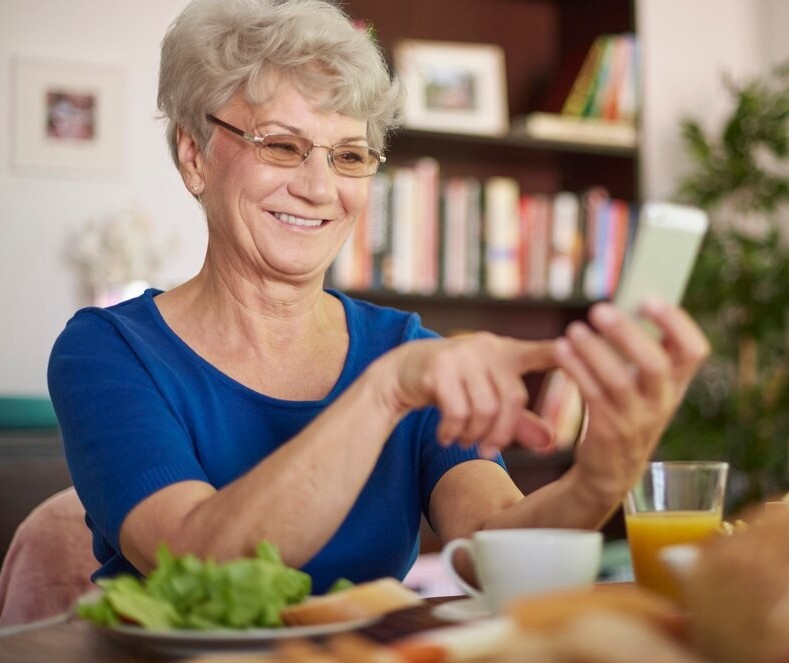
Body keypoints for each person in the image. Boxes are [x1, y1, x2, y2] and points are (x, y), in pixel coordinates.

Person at [48, 0, 709, 594]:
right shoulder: (109, 350)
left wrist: (597, 478)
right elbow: (197, 560)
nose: (319, 186)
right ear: (193, 155)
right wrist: (384, 392)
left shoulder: (403, 350)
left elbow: (490, 548)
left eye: (350, 156)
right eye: (282, 145)